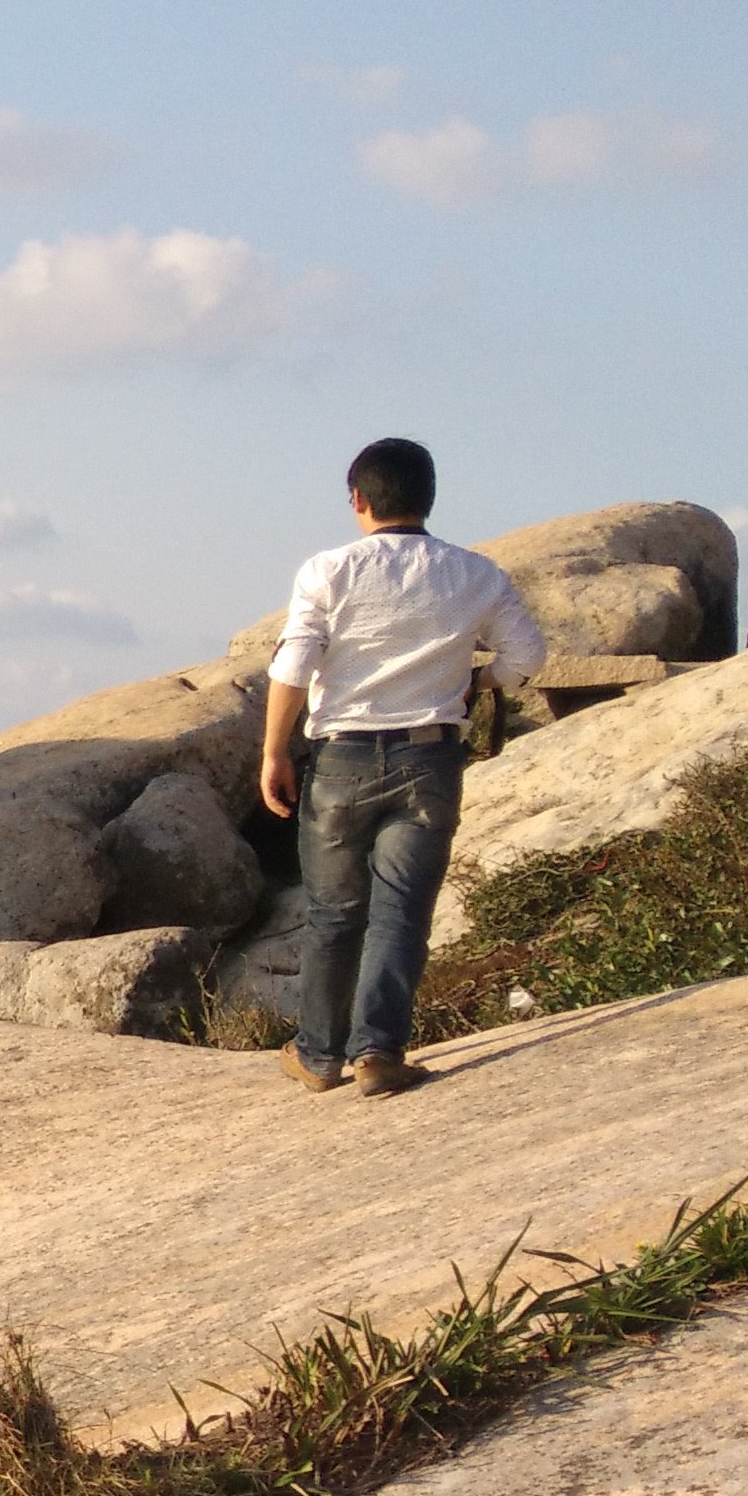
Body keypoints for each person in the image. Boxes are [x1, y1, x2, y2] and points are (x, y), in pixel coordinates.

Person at [258, 436, 543, 1096]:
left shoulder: (328, 571)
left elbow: (296, 662)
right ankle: (379, 1052)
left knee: (334, 910)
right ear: (430, 498)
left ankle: (318, 1055)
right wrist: (483, 682)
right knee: (402, 911)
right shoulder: (477, 574)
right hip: (430, 757)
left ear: (357, 499)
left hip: (342, 759)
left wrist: (274, 750)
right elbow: (528, 659)